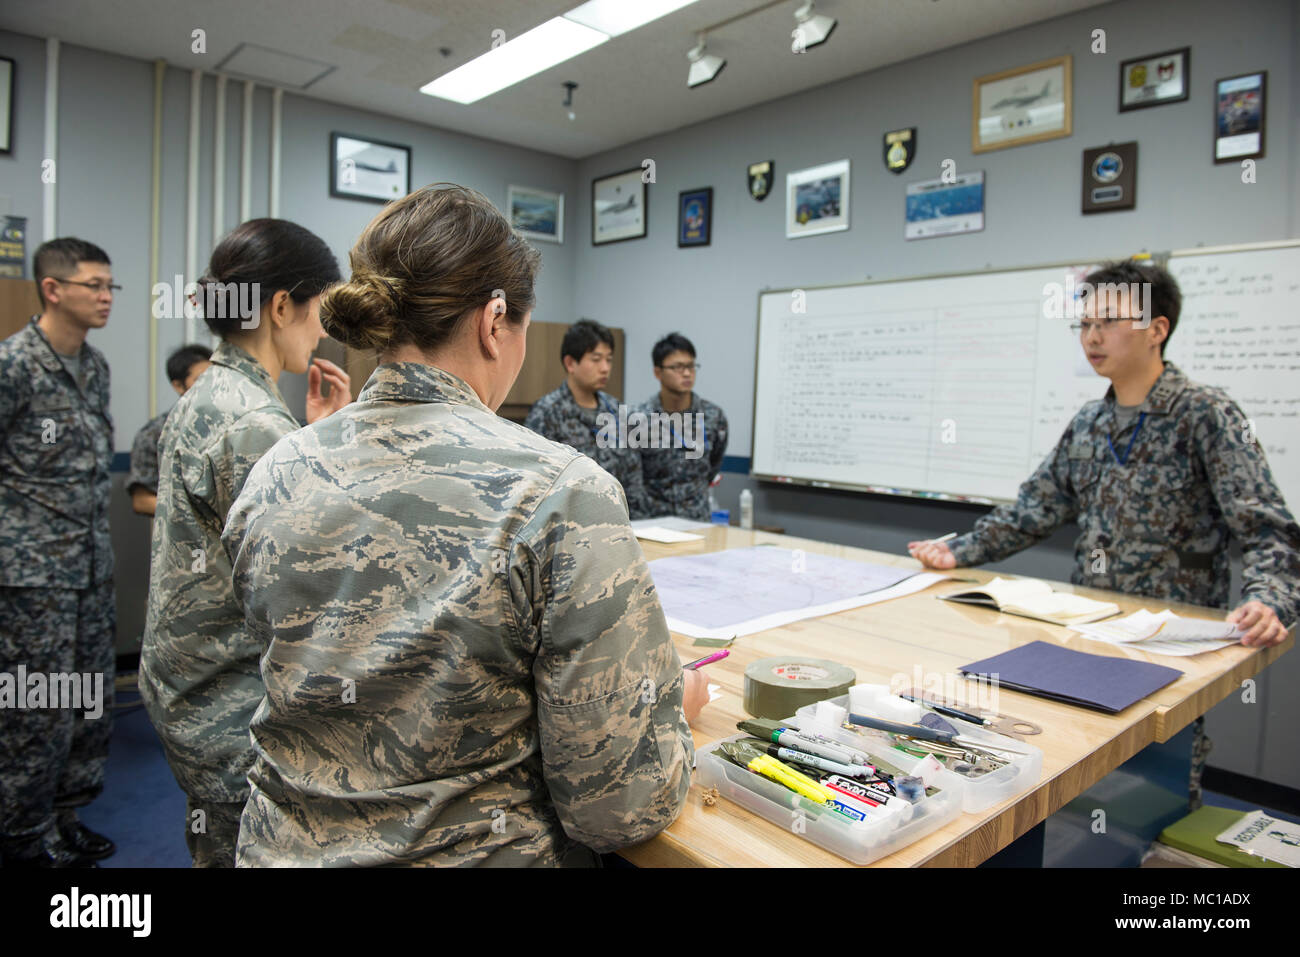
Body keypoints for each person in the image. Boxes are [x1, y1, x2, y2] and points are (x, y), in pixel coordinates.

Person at [222, 184, 708, 867]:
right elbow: (616, 805)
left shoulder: (274, 472)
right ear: (494, 320)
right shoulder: (562, 492)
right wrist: (670, 721)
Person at [909, 259, 1299, 648]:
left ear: (1156, 330)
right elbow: (1034, 510)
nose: (1092, 338)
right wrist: (957, 550)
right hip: (1092, 628)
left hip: (1175, 639)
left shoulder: (1204, 412)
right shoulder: (1090, 421)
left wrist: (1268, 600)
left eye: (1109, 321)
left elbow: (1269, 531)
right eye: (1085, 324)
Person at [139, 219, 351, 868]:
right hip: (229, 708)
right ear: (282, 305)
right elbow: (307, 587)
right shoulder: (253, 421)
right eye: (319, 310)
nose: (322, 331)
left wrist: (308, 441)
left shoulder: (216, 392)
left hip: (193, 689)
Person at [0, 238, 117, 867]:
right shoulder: (13, 365)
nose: (105, 297)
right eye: (94, 285)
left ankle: (67, 815)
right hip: (30, 578)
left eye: (110, 287)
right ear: (53, 289)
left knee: (88, 702)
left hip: (91, 568)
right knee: (34, 712)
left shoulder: (95, 367)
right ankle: (22, 837)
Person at [523, 319, 651, 518]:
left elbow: (634, 477)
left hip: (620, 524)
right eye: (596, 359)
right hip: (570, 528)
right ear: (570, 363)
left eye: (609, 359)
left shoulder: (618, 412)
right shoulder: (547, 412)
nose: (605, 368)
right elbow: (535, 481)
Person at [638, 332, 728, 520]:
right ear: (658, 372)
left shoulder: (713, 417)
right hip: (652, 523)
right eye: (678, 367)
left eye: (690, 366)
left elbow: (712, 467)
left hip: (697, 521)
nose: (687, 373)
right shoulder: (639, 419)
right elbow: (633, 477)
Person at [126, 344, 212, 516]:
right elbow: (142, 501)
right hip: (183, 536)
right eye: (201, 379)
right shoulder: (155, 433)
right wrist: (194, 517)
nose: (210, 386)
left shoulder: (230, 426)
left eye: (215, 378)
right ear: (179, 386)